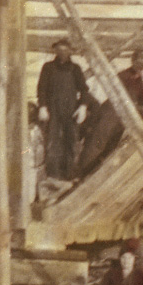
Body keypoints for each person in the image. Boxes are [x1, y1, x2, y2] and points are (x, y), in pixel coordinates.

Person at [36, 39, 91, 181]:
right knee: (52, 142)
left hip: (71, 110)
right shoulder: (48, 67)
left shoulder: (75, 69)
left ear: (70, 51)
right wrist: (42, 107)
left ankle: (69, 175)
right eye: (59, 50)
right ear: (55, 51)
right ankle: (52, 176)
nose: (62, 53)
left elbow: (84, 90)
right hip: (52, 110)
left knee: (71, 141)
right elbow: (41, 89)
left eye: (66, 50)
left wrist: (83, 107)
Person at [117, 49, 143, 116]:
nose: (141, 66)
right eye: (139, 62)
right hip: (124, 108)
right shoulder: (123, 75)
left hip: (134, 106)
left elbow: (141, 97)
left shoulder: (138, 77)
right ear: (133, 61)